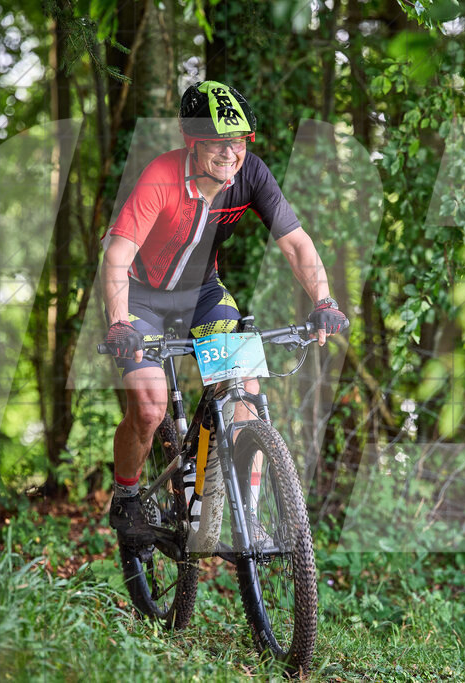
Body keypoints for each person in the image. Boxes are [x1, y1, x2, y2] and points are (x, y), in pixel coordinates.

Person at [100, 80, 347, 547]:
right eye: (218, 143)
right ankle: (127, 495)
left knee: (244, 394)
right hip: (139, 297)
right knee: (150, 406)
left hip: (202, 295)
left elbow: (295, 243)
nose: (231, 154)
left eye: (237, 142)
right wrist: (118, 321)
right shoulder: (160, 176)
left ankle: (247, 518)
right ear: (193, 142)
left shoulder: (250, 174)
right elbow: (117, 254)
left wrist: (324, 301)